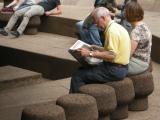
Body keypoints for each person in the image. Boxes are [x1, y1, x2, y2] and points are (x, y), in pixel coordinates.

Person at [70, 7, 131, 93]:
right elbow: (114, 50)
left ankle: (76, 102)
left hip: (114, 70)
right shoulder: (117, 27)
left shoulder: (111, 31)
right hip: (120, 68)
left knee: (78, 76)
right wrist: (97, 48)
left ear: (103, 18)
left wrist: (90, 53)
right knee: (83, 69)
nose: (97, 25)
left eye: (96, 22)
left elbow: (112, 55)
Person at [125, 1, 152, 75]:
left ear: (129, 14)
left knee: (112, 69)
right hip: (145, 62)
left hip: (137, 64)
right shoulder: (145, 25)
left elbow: (128, 54)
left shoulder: (136, 31)